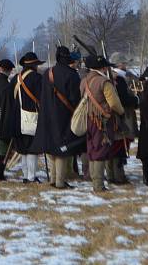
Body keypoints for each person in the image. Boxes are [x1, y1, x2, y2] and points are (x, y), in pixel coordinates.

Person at [32, 47, 82, 190]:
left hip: (47, 114)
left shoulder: (48, 72)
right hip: (63, 116)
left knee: (52, 148)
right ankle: (59, 182)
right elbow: (75, 98)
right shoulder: (72, 75)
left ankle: (54, 179)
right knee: (62, 149)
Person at [81, 55, 125, 193]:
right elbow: (114, 103)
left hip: (88, 119)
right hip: (102, 122)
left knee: (92, 150)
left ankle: (95, 181)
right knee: (100, 151)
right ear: (103, 67)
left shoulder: (84, 81)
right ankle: (98, 185)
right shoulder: (104, 82)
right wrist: (121, 112)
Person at [108, 52, 140, 185]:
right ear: (119, 64)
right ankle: (118, 177)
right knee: (119, 148)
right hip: (121, 117)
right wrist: (136, 99)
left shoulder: (115, 77)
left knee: (118, 147)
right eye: (124, 63)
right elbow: (123, 100)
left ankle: (114, 175)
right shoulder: (118, 79)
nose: (126, 65)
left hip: (118, 117)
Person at [13, 52, 44, 184]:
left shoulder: (16, 78)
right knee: (32, 148)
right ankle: (31, 176)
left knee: (22, 149)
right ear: (34, 65)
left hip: (17, 117)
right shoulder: (37, 78)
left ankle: (26, 176)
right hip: (32, 117)